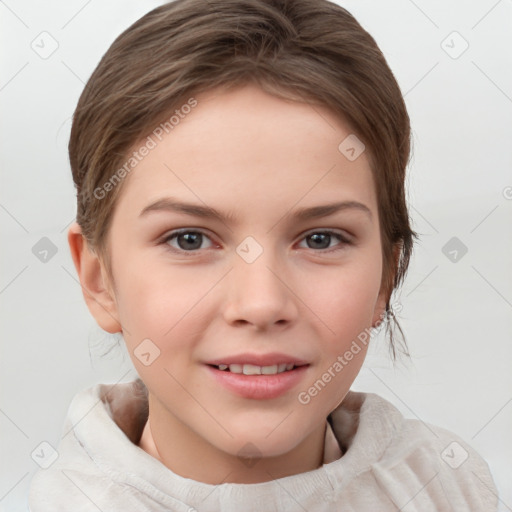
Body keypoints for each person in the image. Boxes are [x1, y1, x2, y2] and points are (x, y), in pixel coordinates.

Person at [28, 0, 498, 510]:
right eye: (189, 239)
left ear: (386, 275)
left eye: (321, 239)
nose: (260, 303)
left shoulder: (453, 489)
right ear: (99, 279)